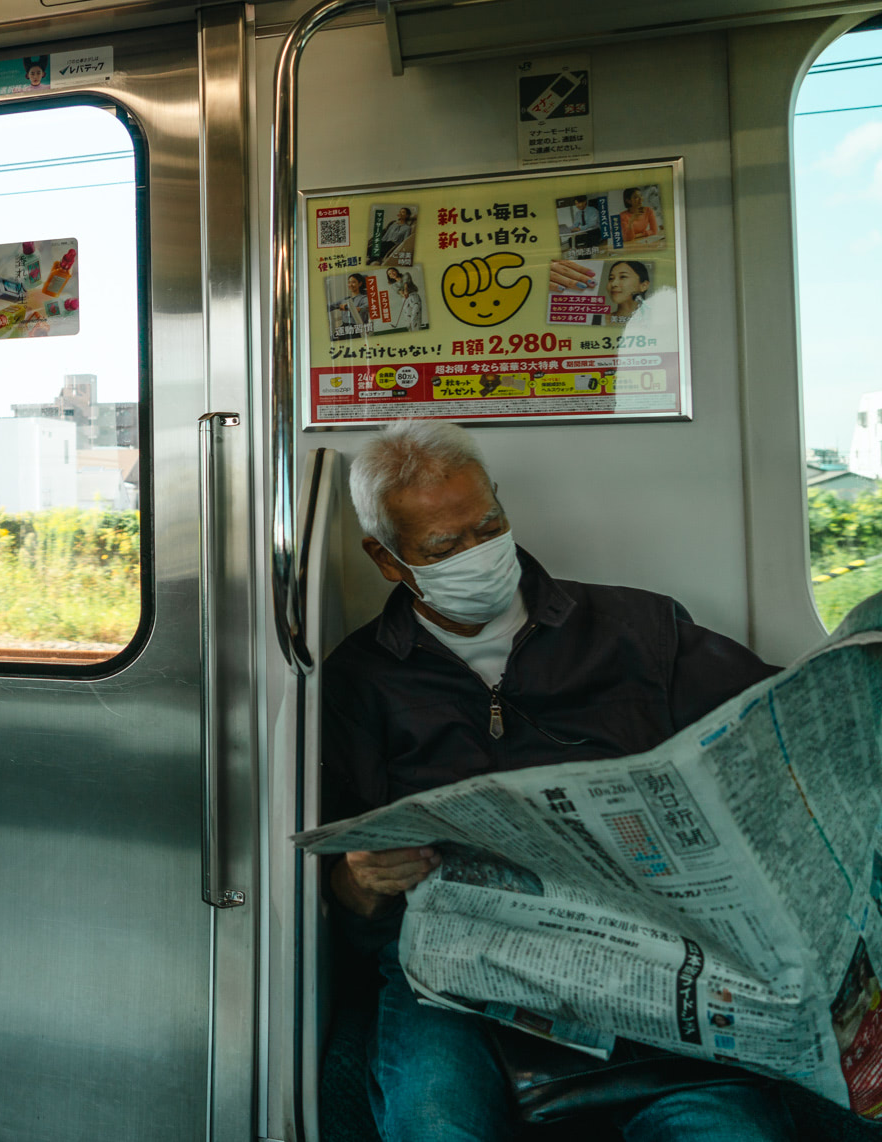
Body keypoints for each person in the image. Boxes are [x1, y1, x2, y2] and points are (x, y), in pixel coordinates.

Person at [323, 420, 787, 1142]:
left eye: (490, 526)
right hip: (456, 992)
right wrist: (360, 878)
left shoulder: (641, 630)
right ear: (386, 559)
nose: (479, 554)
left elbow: (780, 729)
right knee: (436, 1123)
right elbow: (344, 884)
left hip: (646, 966)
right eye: (445, 548)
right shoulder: (362, 679)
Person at [606, 259, 653, 325]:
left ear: (643, 285)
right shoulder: (599, 319)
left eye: (623, 277)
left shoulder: (654, 320)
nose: (613, 284)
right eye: (611, 278)